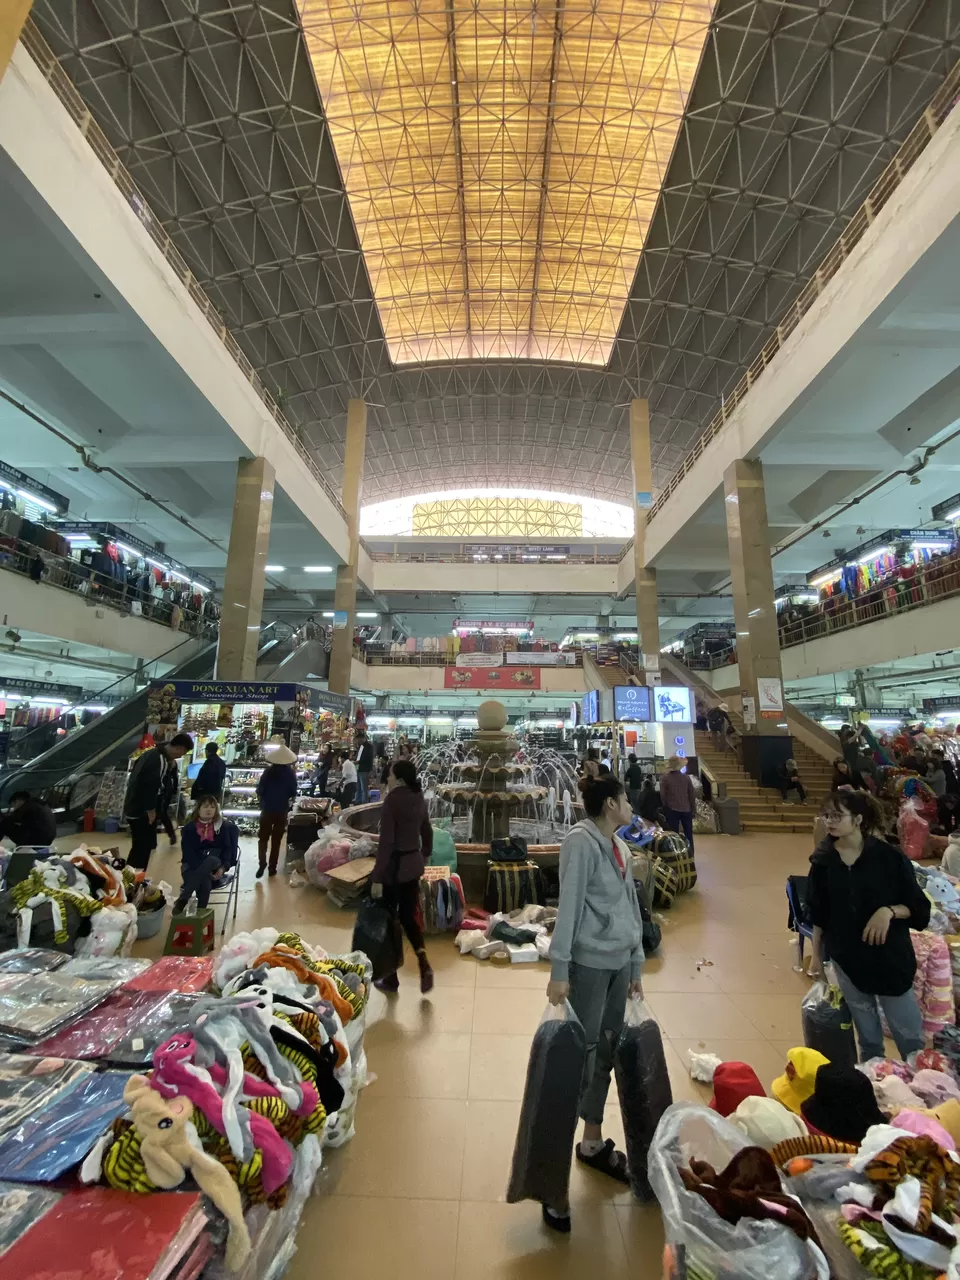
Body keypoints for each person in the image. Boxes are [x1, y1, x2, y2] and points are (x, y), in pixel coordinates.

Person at [545, 774, 644, 1232]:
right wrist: (560, 969)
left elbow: (631, 909)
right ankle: (551, 1182)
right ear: (610, 804)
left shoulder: (620, 848)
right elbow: (569, 906)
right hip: (586, 966)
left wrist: (637, 963)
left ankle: (591, 1141)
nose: (631, 805)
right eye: (625, 799)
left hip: (619, 965)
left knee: (603, 1052)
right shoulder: (580, 844)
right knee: (576, 1059)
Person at [807, 790, 930, 1063]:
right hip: (848, 960)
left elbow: (920, 909)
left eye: (837, 815)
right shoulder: (823, 861)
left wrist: (888, 912)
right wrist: (816, 957)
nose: (830, 821)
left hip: (890, 959)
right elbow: (819, 915)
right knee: (869, 1040)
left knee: (910, 1039)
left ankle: (923, 1090)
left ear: (858, 819)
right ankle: (878, 1086)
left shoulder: (888, 857)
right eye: (826, 815)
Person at [370, 759, 434, 995]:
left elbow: (386, 843)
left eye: (390, 775)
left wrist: (377, 876)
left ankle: (391, 976)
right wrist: (425, 853)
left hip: (394, 869)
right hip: (412, 864)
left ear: (400, 779)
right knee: (409, 917)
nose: (388, 778)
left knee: (390, 921)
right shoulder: (419, 797)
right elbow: (426, 829)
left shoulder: (392, 802)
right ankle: (423, 961)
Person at [125, 733, 194, 870]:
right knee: (141, 848)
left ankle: (133, 877)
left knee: (141, 846)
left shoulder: (152, 754)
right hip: (141, 809)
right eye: (183, 753)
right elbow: (151, 785)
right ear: (178, 748)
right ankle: (132, 878)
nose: (180, 756)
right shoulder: (159, 759)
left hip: (134, 806)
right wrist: (150, 810)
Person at [172, 795, 239, 913]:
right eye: (205, 806)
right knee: (205, 885)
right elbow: (188, 854)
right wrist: (204, 870)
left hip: (215, 868)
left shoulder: (221, 827)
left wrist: (223, 869)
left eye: (212, 807)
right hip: (191, 867)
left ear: (216, 810)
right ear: (198, 809)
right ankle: (199, 919)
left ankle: (183, 898)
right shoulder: (189, 829)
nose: (209, 809)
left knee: (212, 860)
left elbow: (228, 851)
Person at [255, 744, 298, 878]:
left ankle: (262, 862)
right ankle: (272, 867)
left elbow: (260, 789)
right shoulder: (290, 773)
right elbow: (293, 792)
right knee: (276, 840)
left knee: (263, 838)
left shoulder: (268, 772)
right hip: (282, 810)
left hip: (267, 809)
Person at [659, 755, 695, 851]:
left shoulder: (665, 778)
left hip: (672, 809)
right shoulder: (686, 778)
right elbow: (691, 795)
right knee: (688, 835)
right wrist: (693, 810)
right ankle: (690, 856)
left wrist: (665, 808)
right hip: (686, 809)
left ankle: (676, 855)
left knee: (673, 835)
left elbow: (663, 796)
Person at [356, 735, 374, 804]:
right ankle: (358, 801)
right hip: (360, 769)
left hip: (364, 769)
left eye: (359, 739)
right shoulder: (361, 746)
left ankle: (364, 803)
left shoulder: (368, 747)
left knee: (364, 788)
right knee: (359, 787)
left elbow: (367, 758)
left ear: (363, 738)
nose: (358, 741)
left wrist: (358, 761)